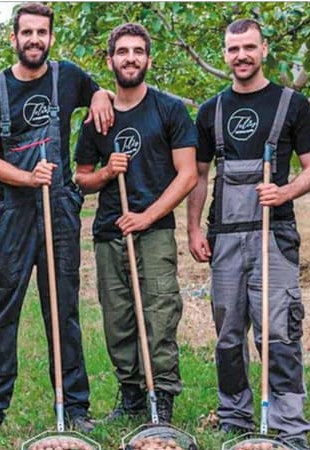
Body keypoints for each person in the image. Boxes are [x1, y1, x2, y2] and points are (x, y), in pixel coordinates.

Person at [0, 1, 114, 433]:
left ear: (51, 38)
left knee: (63, 310)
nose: (35, 40)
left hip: (59, 211)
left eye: (42, 33)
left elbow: (97, 93)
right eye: (27, 32)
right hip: (11, 213)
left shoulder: (67, 77)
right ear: (13, 38)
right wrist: (29, 178)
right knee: (0, 310)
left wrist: (101, 94)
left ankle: (74, 407)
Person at [186, 19, 310, 450]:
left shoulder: (292, 104)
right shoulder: (211, 111)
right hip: (224, 236)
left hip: (274, 234)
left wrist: (284, 192)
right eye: (233, 49)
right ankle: (235, 416)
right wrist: (192, 229)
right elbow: (200, 176)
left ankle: (289, 426)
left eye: (248, 47)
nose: (241, 55)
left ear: (263, 49)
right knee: (228, 335)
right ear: (224, 54)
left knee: (278, 331)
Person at [74, 23, 197, 424]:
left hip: (154, 232)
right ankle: (130, 397)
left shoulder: (169, 110)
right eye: (123, 52)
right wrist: (108, 172)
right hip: (110, 233)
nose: (131, 58)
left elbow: (188, 174)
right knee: (119, 320)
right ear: (109, 60)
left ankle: (161, 397)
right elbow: (82, 178)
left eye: (138, 51)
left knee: (160, 315)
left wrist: (147, 216)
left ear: (148, 59)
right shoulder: (96, 120)